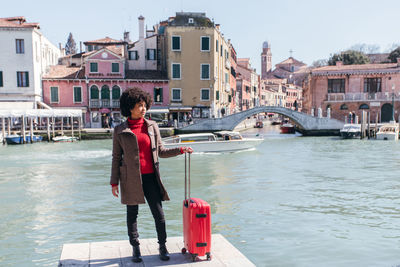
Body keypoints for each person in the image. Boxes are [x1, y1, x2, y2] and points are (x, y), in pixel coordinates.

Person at [110, 87, 193, 263]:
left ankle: (162, 247)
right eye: (139, 105)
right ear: (130, 107)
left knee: (159, 215)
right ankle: (135, 248)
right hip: (130, 179)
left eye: (144, 105)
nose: (143, 109)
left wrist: (180, 150)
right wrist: (114, 182)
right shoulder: (119, 130)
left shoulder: (152, 126)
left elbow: (161, 151)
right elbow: (116, 157)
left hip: (151, 177)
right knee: (132, 215)